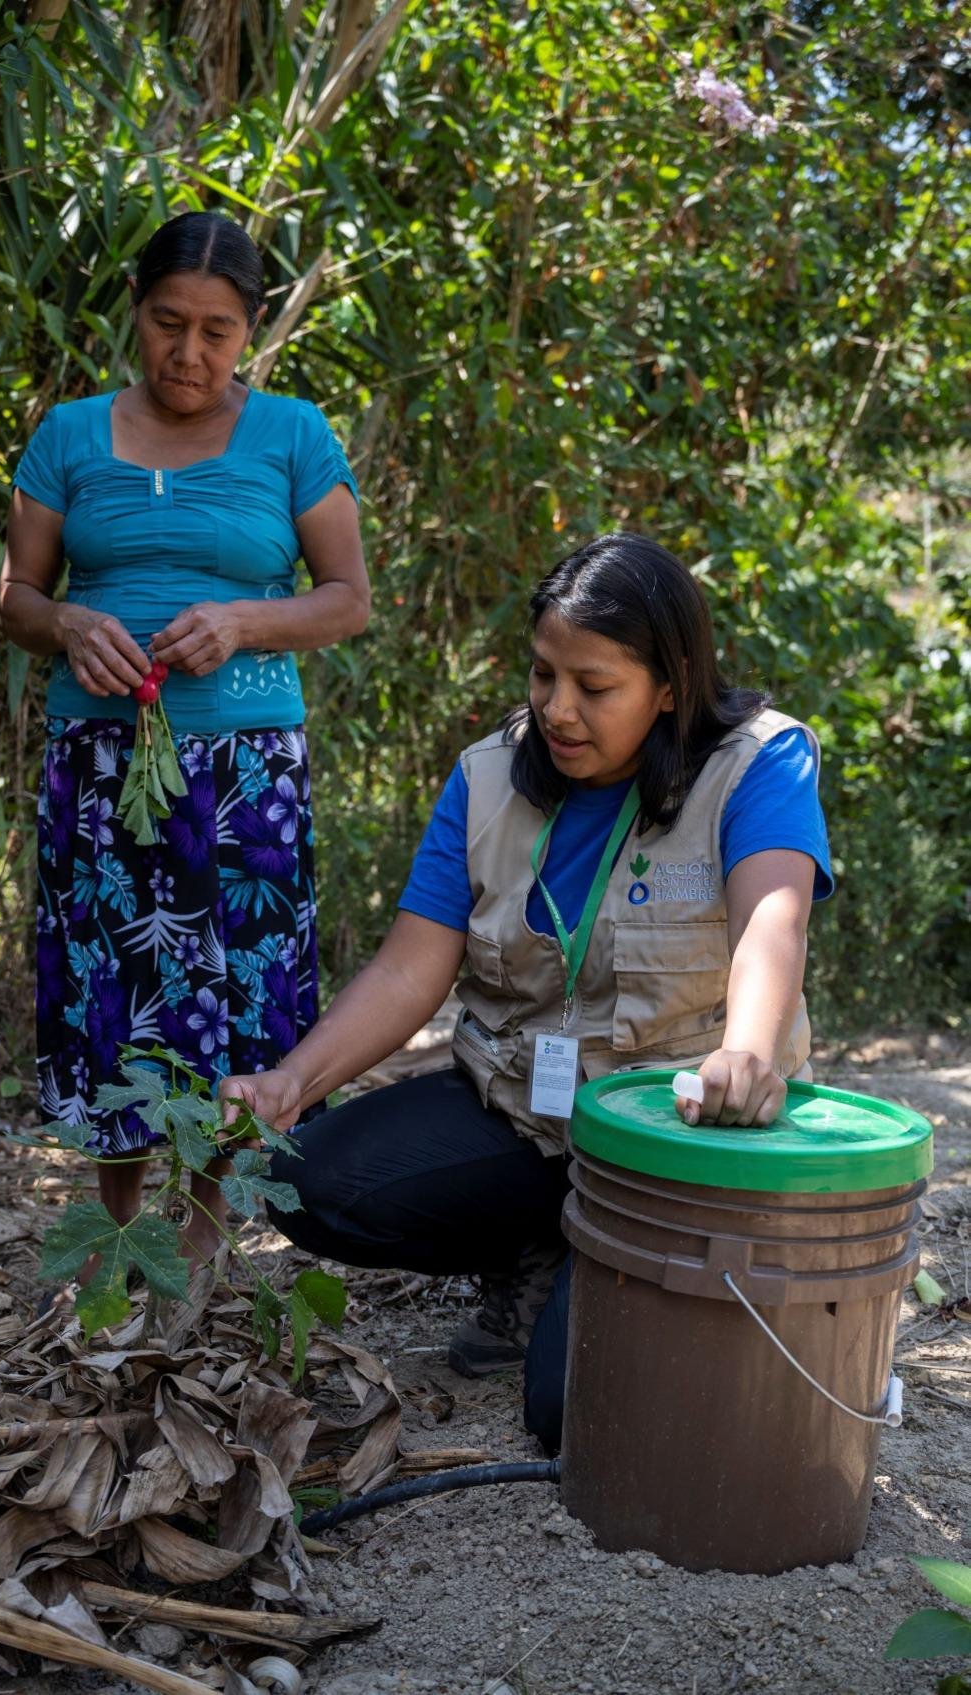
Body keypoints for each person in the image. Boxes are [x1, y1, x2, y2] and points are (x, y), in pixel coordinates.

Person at [218, 533, 833, 1451]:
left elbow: (770, 924)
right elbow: (408, 966)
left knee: (563, 1413)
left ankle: (596, 1262)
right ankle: (538, 1242)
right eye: (544, 675)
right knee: (306, 1179)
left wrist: (746, 1050)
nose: (557, 708)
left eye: (595, 686)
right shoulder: (489, 776)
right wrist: (291, 1082)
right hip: (524, 1114)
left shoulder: (756, 763)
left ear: (669, 684)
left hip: (669, 1146)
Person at [0, 210, 369, 1271]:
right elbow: (16, 599)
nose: (188, 352)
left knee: (230, 990)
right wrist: (66, 621)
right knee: (109, 985)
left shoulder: (292, 436)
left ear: (250, 330)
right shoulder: (68, 436)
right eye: (168, 323)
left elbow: (347, 600)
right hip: (99, 765)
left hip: (246, 771)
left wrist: (244, 619)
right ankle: (117, 1236)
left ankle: (203, 1240)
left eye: (215, 330)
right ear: (134, 314)